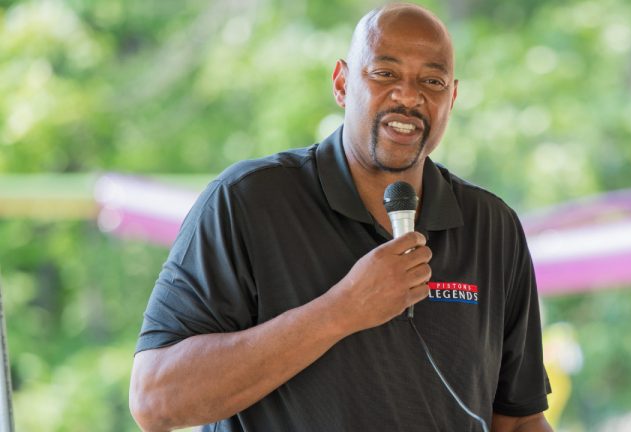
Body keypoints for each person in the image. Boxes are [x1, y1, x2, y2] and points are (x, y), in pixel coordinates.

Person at [129, 3, 553, 432]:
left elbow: (518, 422)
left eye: (432, 81)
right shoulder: (248, 201)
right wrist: (342, 310)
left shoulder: (492, 227)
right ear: (342, 83)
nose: (409, 96)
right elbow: (156, 400)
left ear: (452, 97)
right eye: (385, 74)